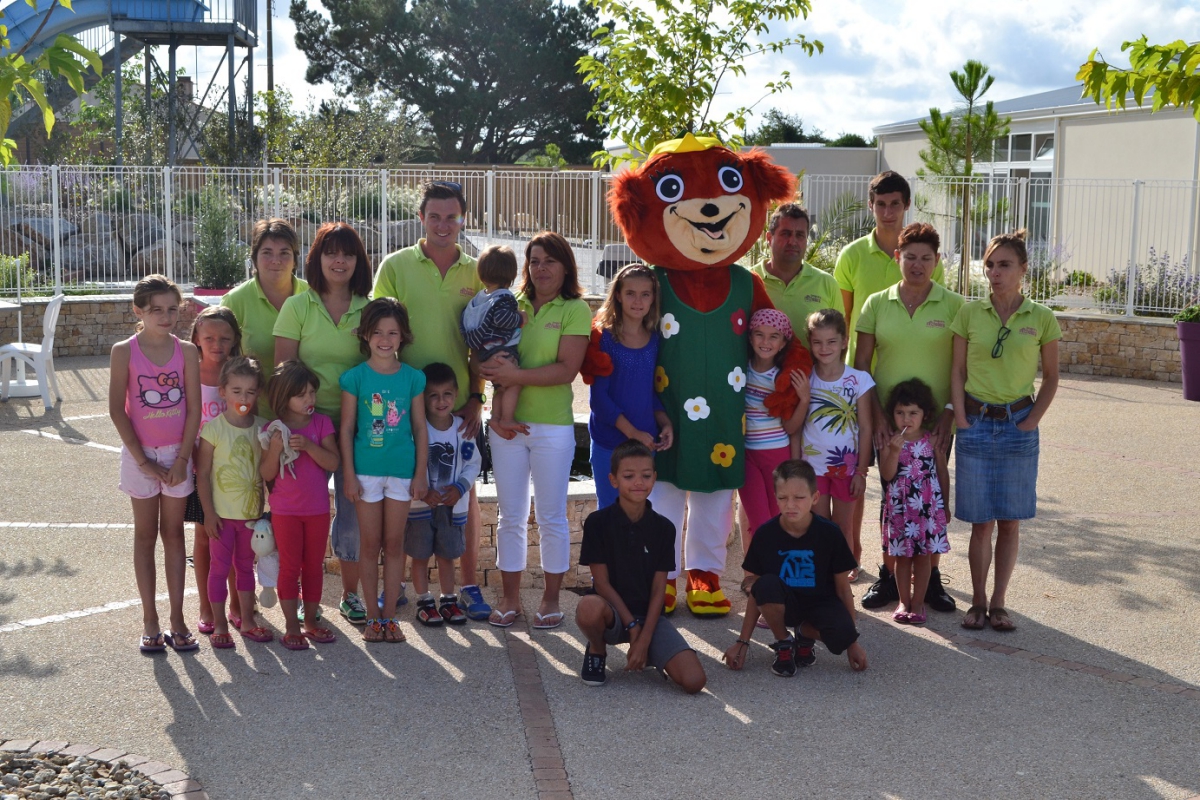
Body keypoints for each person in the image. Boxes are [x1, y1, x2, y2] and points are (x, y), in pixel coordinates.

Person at [373, 180, 491, 622]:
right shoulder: (396, 265)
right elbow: (379, 332)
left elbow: (483, 343)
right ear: (421, 218)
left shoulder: (476, 272)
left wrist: (477, 397)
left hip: (455, 403)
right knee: (400, 495)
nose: (444, 224)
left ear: (463, 219)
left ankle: (469, 587)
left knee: (467, 498)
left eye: (452, 217)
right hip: (403, 404)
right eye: (435, 216)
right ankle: (402, 587)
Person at [834, 173, 946, 584]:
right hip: (874, 402)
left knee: (925, 493)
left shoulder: (940, 285)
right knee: (879, 487)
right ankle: (873, 567)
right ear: (871, 206)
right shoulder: (856, 264)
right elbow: (848, 331)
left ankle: (929, 578)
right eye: (880, 204)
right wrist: (871, 410)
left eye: (895, 204)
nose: (887, 211)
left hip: (925, 409)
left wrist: (947, 411)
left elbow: (952, 350)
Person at [479, 231, 590, 630]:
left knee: (551, 517)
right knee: (510, 515)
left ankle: (549, 600)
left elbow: (567, 369)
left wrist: (515, 374)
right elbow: (486, 348)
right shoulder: (511, 303)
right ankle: (509, 600)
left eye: (550, 261)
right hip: (506, 428)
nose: (541, 268)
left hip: (553, 428)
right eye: (535, 261)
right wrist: (490, 371)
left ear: (565, 267)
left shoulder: (576, 309)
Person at [951, 230, 1060, 632]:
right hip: (976, 426)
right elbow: (958, 371)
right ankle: (977, 602)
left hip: (1018, 427)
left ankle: (999, 603)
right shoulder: (969, 313)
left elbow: (1051, 377)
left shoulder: (1041, 317)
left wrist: (1031, 421)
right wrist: (962, 418)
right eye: (991, 265)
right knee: (980, 522)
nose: (995, 273)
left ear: (1023, 270)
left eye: (1005, 265)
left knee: (1010, 521)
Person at [854, 222, 963, 613]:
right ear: (897, 257)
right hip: (890, 425)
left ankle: (931, 582)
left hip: (933, 428)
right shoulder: (876, 304)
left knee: (929, 504)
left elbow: (961, 368)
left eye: (926, 258)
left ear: (937, 261)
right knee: (892, 502)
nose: (917, 265)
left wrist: (948, 416)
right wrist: (880, 417)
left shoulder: (954, 306)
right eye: (910, 257)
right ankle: (888, 578)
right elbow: (861, 364)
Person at [274, 222, 370, 625]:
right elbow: (284, 371)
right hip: (303, 427)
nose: (339, 260)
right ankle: (292, 596)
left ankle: (349, 596)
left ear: (358, 261)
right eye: (331, 252)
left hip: (354, 425)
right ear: (317, 259)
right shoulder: (297, 305)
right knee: (297, 513)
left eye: (347, 253)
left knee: (351, 511)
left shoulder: (370, 307)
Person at [109, 274, 201, 653]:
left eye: (172, 309)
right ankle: (151, 619)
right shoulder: (124, 351)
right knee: (145, 536)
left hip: (178, 456)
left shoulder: (188, 352)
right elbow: (117, 409)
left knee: (175, 535)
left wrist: (181, 459)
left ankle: (177, 619)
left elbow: (194, 409)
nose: (166, 316)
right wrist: (142, 460)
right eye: (156, 310)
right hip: (139, 457)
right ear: (138, 311)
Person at [576, 440, 706, 693]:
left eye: (646, 476)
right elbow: (601, 583)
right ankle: (597, 648)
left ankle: (648, 652)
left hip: (650, 618)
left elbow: (659, 589)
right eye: (629, 476)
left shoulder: (664, 528)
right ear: (613, 480)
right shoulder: (597, 523)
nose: (638, 482)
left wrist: (645, 637)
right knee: (588, 607)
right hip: (611, 612)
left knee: (694, 681)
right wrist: (632, 627)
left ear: (654, 478)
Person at [723, 459, 868, 676]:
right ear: (776, 498)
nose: (791, 505)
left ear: (815, 498)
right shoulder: (765, 535)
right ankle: (783, 642)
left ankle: (804, 633)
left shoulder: (830, 534)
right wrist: (742, 641)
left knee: (842, 633)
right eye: (783, 498)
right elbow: (757, 593)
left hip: (820, 603)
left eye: (799, 498)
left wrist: (852, 641)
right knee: (764, 584)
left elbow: (843, 588)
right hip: (784, 605)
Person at [339, 298, 429, 643]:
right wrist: (349, 474)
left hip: (402, 473)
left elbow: (420, 428)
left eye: (392, 332)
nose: (385, 339)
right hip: (365, 473)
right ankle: (372, 619)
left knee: (394, 545)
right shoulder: (354, 378)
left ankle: (390, 616)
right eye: (377, 332)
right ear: (365, 335)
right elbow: (347, 429)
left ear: (403, 336)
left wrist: (420, 472)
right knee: (369, 545)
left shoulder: (413, 379)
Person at [261, 360, 341, 650]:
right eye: (301, 394)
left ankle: (310, 621)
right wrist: (275, 449)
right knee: (290, 567)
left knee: (313, 567)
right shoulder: (274, 429)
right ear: (284, 398)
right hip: (285, 511)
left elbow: (333, 462)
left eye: (312, 393)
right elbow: (266, 473)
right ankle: (291, 625)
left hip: (317, 509)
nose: (310, 399)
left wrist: (309, 446)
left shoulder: (322, 424)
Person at [195, 356, 269, 649]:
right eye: (236, 391)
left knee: (245, 568)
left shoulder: (263, 429)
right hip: (221, 518)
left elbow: (268, 472)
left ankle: (247, 621)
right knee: (219, 568)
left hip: (251, 517)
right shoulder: (213, 429)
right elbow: (201, 474)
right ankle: (221, 625)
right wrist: (208, 514)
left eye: (250, 392)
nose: (243, 397)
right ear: (222, 391)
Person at [587, 263, 672, 509]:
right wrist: (632, 432)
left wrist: (665, 423)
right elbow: (599, 400)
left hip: (644, 445)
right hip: (610, 444)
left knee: (640, 514)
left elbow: (650, 393)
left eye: (645, 294)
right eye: (630, 293)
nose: (638, 301)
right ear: (618, 296)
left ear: (653, 298)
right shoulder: (603, 338)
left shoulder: (655, 340)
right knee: (610, 514)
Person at [407, 362, 482, 627]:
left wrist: (461, 487)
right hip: (420, 506)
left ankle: (448, 599)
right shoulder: (417, 429)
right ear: (423, 398)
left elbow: (474, 463)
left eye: (447, 394)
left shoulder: (463, 429)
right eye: (433, 395)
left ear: (456, 393)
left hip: (452, 506)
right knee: (419, 553)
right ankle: (424, 601)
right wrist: (422, 490)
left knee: (447, 554)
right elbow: (407, 463)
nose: (441, 401)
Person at [802, 309, 873, 574]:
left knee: (844, 526)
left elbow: (866, 428)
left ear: (844, 341)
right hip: (813, 468)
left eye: (831, 341)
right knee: (820, 523)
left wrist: (861, 471)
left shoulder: (859, 380)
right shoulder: (805, 377)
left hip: (846, 468)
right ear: (810, 342)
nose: (824, 348)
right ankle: (824, 575)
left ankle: (842, 575)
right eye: (817, 341)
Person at [186, 305, 242, 635]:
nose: (217, 344)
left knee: (235, 540)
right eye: (209, 337)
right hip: (199, 470)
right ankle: (207, 605)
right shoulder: (187, 371)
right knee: (205, 536)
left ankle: (236, 604)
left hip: (234, 471)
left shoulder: (240, 374)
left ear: (235, 341)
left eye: (224, 338)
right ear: (196, 338)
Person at [878, 379, 950, 626]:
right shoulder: (890, 441)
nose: (905, 418)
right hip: (900, 510)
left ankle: (918, 602)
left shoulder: (932, 441)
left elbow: (942, 473)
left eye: (912, 413)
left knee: (923, 557)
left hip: (927, 510)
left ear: (925, 414)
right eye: (900, 413)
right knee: (902, 558)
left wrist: (946, 506)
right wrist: (894, 452)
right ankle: (903, 601)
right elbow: (887, 475)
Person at [222, 218, 308, 417]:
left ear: (295, 259)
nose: (275, 260)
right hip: (254, 417)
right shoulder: (235, 301)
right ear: (254, 259)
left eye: (284, 253)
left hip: (307, 417)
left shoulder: (313, 296)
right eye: (267, 253)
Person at [740, 309, 806, 543]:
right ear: (750, 337)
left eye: (773, 336)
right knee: (758, 522)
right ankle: (762, 577)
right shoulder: (739, 369)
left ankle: (775, 577)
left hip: (776, 453)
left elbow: (790, 427)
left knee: (776, 519)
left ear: (783, 342)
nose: (765, 342)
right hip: (745, 454)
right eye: (759, 334)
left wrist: (804, 399)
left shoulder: (784, 378)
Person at [752, 203, 841, 351]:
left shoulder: (826, 283)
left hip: (810, 373)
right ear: (769, 238)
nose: (792, 241)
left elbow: (838, 339)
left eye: (800, 235)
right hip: (756, 374)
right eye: (785, 233)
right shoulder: (750, 281)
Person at [461, 245, 525, 438]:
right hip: (502, 349)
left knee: (500, 388)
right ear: (511, 274)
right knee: (514, 383)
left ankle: (496, 418)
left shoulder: (479, 298)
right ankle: (506, 418)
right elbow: (501, 319)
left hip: (484, 350)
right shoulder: (504, 297)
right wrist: (520, 319)